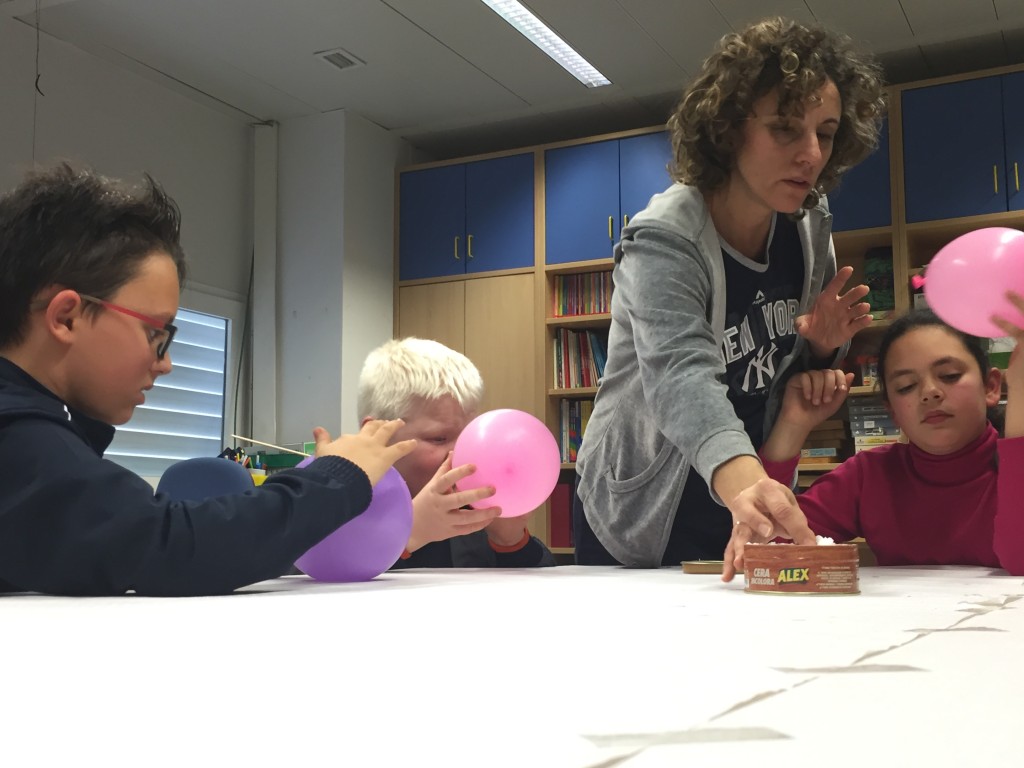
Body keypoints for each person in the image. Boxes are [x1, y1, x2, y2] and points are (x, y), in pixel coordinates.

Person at [0, 164, 415, 597]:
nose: (166, 364)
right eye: (155, 334)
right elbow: (170, 545)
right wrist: (338, 477)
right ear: (66, 317)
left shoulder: (35, 438)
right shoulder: (14, 438)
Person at [574, 16, 887, 567]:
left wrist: (818, 347)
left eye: (827, 131)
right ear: (728, 129)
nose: (812, 153)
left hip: (745, 489)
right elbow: (679, 375)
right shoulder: (664, 238)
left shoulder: (808, 223)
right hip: (643, 507)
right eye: (786, 128)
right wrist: (744, 482)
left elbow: (777, 363)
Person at [724, 306, 1024, 579]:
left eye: (949, 375)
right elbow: (767, 545)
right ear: (892, 410)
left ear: (991, 387)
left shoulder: (1008, 467)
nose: (930, 392)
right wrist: (792, 425)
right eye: (906, 386)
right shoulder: (871, 475)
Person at [357, 337, 555, 567]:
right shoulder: (339, 506)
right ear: (376, 436)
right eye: (439, 439)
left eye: (469, 437)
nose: (461, 454)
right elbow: (323, 577)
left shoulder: (466, 510)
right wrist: (408, 533)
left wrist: (510, 541)